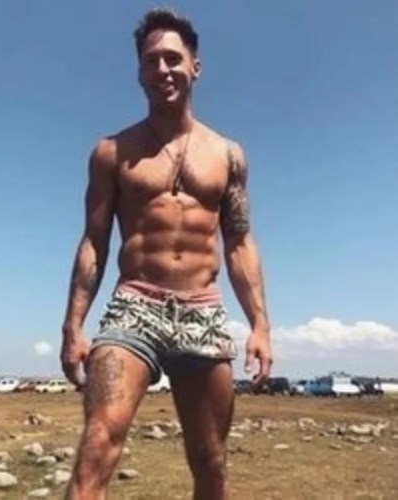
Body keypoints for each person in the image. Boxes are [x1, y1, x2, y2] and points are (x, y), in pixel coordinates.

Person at [60, 8, 272, 500]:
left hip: (203, 310)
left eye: (173, 58)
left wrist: (260, 324)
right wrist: (73, 326)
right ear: (139, 73)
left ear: (195, 66)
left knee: (211, 463)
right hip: (134, 307)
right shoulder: (111, 152)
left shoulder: (228, 155)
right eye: (151, 60)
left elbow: (239, 242)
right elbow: (94, 241)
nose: (162, 69)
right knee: (97, 443)